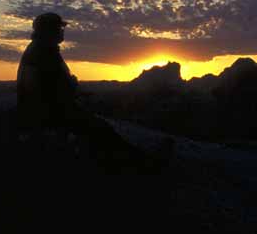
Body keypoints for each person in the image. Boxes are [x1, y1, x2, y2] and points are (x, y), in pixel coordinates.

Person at [15, 12, 172, 172]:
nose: (62, 30)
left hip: (47, 111)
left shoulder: (40, 50)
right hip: (50, 114)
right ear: (49, 30)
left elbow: (51, 83)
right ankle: (144, 165)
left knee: (99, 126)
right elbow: (51, 88)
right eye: (59, 27)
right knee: (101, 129)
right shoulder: (44, 52)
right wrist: (72, 88)